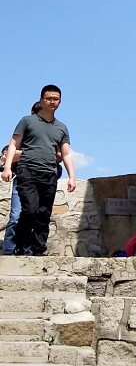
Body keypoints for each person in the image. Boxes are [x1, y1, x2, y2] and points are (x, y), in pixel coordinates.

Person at [1, 86, 75, 256]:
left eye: (56, 99)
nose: (52, 102)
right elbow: (12, 144)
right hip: (27, 171)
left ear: (60, 101)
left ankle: (38, 251)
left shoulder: (62, 128)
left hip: (49, 174)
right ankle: (20, 244)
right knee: (29, 211)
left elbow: (66, 153)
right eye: (49, 98)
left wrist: (72, 176)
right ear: (41, 100)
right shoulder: (27, 121)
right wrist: (7, 167)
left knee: (44, 215)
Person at [1, 102, 42, 255]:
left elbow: (55, 158)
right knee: (15, 217)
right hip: (21, 180)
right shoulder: (23, 133)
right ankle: (9, 251)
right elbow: (7, 157)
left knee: (35, 217)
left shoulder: (49, 134)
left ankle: (27, 250)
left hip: (40, 181)